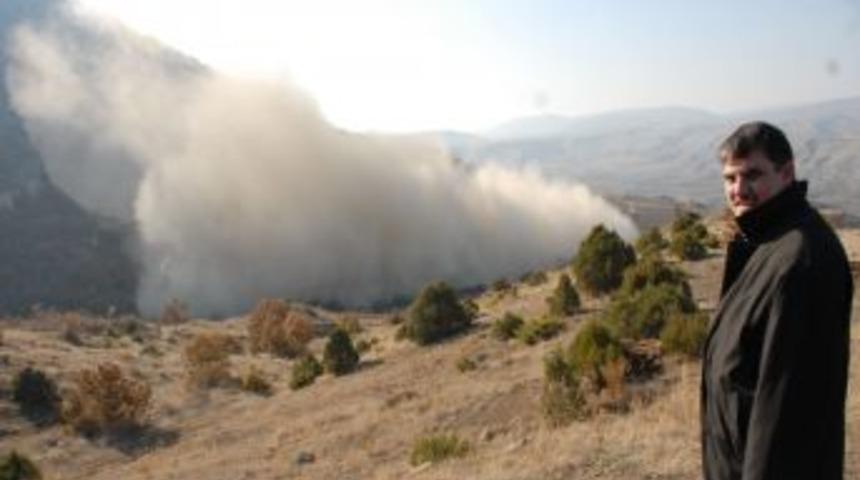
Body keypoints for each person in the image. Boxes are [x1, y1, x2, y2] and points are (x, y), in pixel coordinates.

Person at [700, 121, 854, 480]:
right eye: (729, 179)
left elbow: (788, 417)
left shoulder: (801, 260)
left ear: (787, 173)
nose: (739, 190)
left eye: (752, 175)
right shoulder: (767, 244)